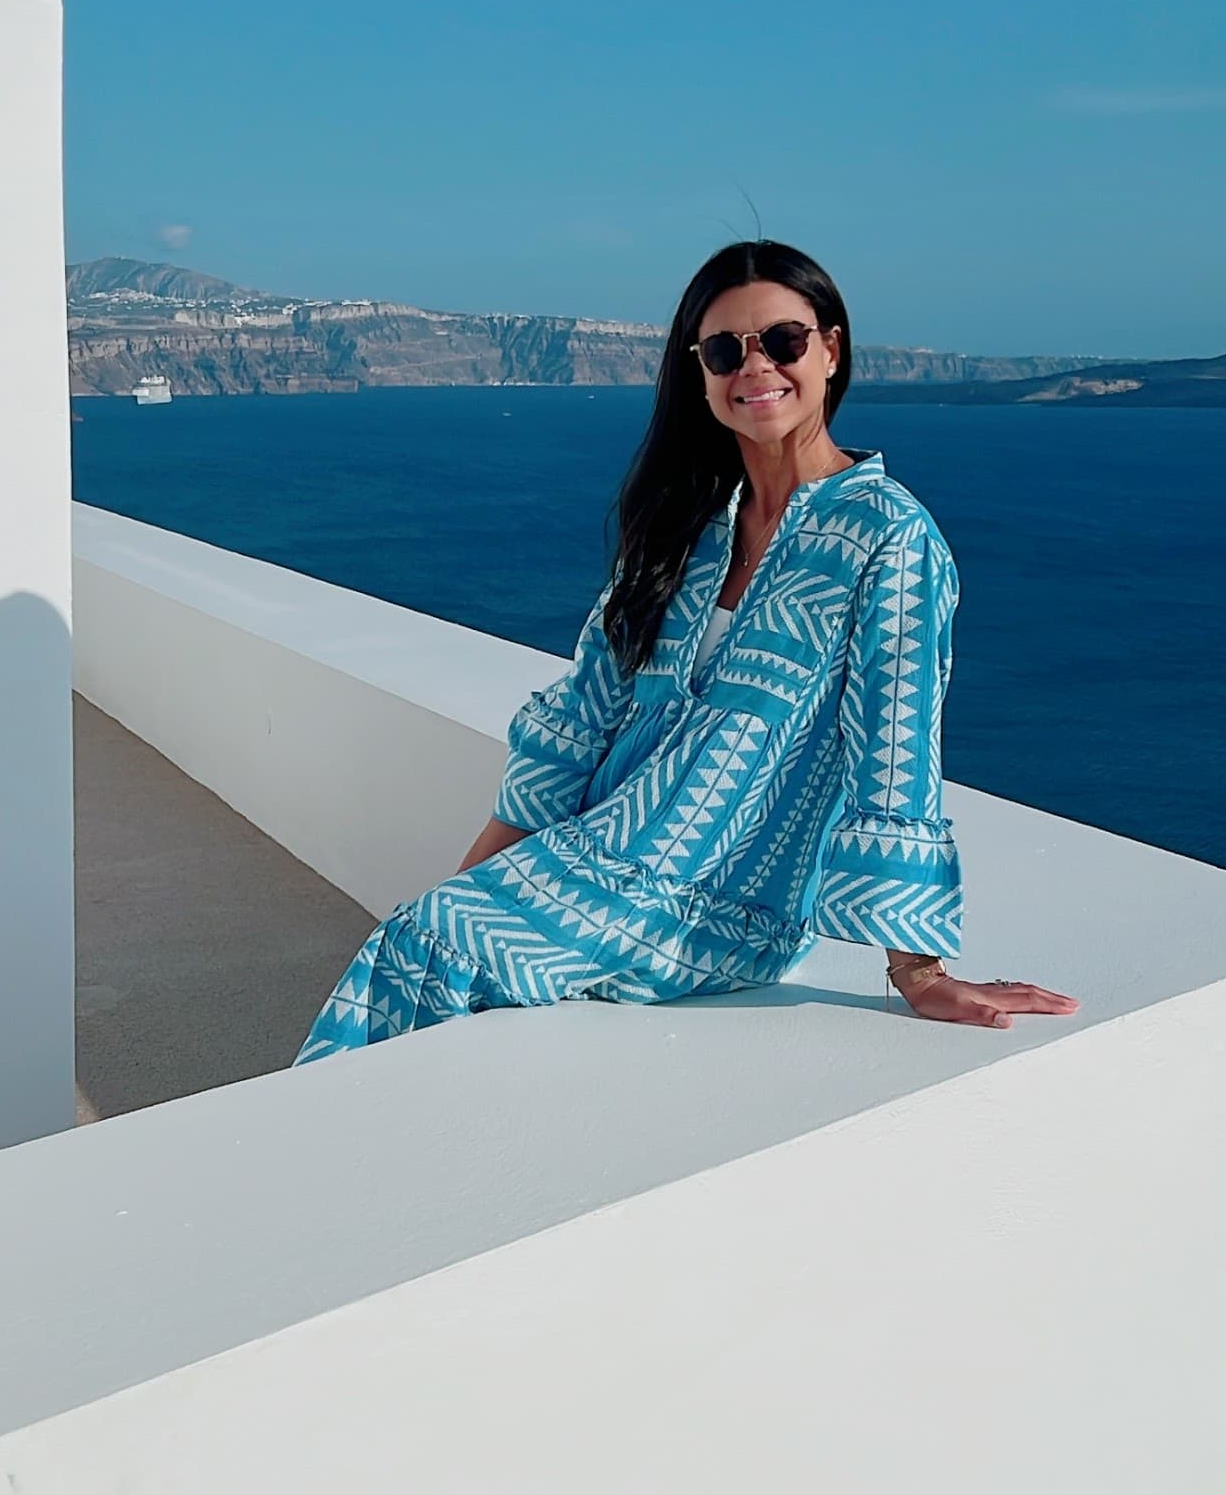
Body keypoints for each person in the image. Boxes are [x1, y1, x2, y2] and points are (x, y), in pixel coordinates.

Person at [296, 239, 1077, 1060]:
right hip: (597, 857)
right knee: (423, 938)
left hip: (726, 904)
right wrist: (473, 883)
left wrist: (917, 968)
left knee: (433, 950)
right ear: (698, 371)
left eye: (783, 340)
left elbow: (895, 751)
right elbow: (579, 720)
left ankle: (303, 1167)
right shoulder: (683, 528)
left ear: (831, 349)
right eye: (724, 350)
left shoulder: (888, 538)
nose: (756, 367)